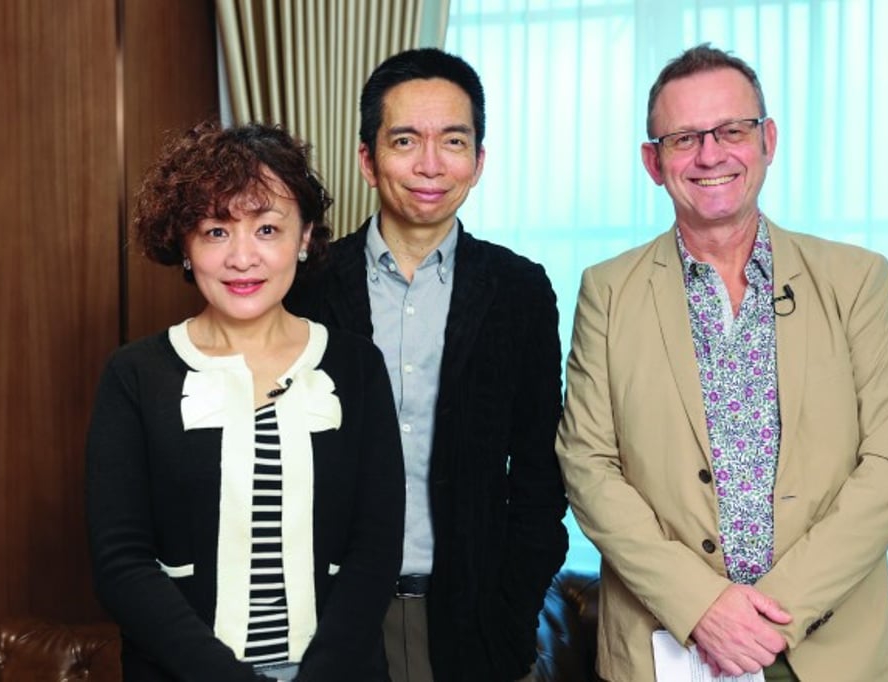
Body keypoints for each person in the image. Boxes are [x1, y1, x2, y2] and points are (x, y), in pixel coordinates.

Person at [556, 44, 888, 681]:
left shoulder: (858, 280)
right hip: (663, 645)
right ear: (653, 161)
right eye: (683, 138)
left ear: (768, 140)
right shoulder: (608, 291)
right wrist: (702, 607)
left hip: (823, 645)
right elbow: (587, 465)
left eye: (732, 130)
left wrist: (767, 617)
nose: (711, 154)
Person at [285, 48, 568, 682]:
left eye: (454, 141)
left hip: (476, 622)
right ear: (367, 159)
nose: (431, 165)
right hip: (330, 622)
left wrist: (511, 611)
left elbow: (539, 476)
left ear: (479, 160)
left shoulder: (519, 290)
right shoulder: (307, 286)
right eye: (406, 140)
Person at [85, 121, 405, 682]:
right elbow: (122, 565)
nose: (241, 258)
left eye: (266, 229)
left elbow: (375, 547)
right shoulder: (135, 376)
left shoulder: (356, 367)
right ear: (183, 243)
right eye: (215, 231)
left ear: (304, 237)